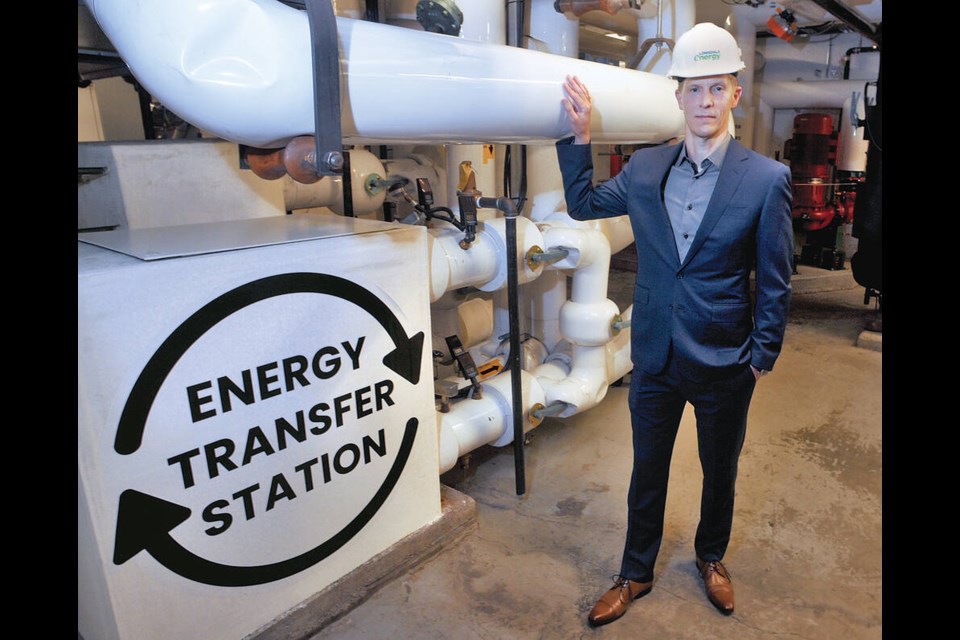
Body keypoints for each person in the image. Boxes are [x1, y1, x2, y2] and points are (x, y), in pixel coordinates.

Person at [556, 23, 793, 626]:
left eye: (718, 89)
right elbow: (584, 205)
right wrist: (577, 138)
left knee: (720, 471)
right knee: (647, 470)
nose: (706, 102)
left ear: (734, 93)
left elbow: (775, 276)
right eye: (695, 90)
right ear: (679, 96)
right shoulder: (645, 168)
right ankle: (635, 572)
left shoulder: (765, 179)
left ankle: (711, 557)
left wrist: (762, 354)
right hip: (655, 354)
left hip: (724, 358)